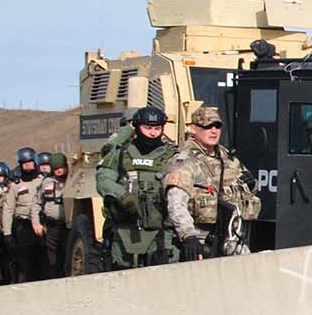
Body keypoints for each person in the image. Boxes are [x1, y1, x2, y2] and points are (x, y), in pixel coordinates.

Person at [164, 105, 261, 260]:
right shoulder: (185, 160)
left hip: (231, 239)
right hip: (201, 242)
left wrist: (251, 185)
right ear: (193, 129)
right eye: (207, 127)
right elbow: (176, 203)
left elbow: (245, 192)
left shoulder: (227, 158)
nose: (214, 131)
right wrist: (188, 236)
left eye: (217, 126)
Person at [97, 105, 181, 269]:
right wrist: (122, 196)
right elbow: (103, 179)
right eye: (147, 128)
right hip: (125, 229)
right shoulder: (120, 153)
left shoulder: (172, 155)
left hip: (162, 232)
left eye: (157, 128)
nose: (153, 133)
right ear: (136, 127)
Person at [0, 146, 49, 282]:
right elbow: (8, 209)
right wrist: (7, 233)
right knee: (24, 263)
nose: (27, 165)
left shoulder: (43, 181)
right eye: (24, 163)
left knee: (45, 260)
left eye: (30, 162)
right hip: (24, 226)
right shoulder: (16, 185)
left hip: (42, 224)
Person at [39, 153, 68, 276]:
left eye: (61, 168)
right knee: (53, 260)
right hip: (52, 226)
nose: (59, 171)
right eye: (56, 169)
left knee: (67, 256)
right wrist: (36, 223)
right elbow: (37, 203)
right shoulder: (47, 183)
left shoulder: (72, 180)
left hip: (68, 226)